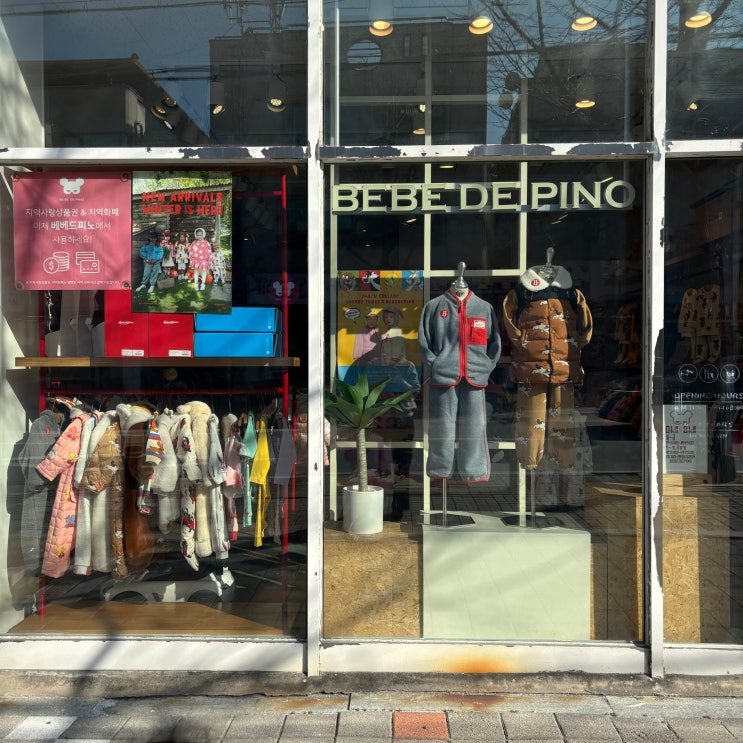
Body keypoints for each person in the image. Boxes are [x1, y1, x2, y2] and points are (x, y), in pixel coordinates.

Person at [418, 266, 501, 482]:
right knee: (442, 426)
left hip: (475, 375)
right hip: (443, 375)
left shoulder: (483, 307)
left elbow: (495, 342)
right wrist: (435, 364)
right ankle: (439, 470)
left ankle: (474, 471)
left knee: (475, 425)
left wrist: (487, 365)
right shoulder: (434, 306)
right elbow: (424, 341)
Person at [135, 229, 163, 294]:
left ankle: (152, 285)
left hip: (156, 262)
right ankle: (143, 284)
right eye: (151, 238)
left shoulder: (158, 246)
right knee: (146, 272)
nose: (153, 239)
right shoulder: (146, 246)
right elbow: (142, 252)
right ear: (149, 238)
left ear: (156, 238)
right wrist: (147, 259)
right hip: (148, 261)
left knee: (154, 273)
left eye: (154, 238)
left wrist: (155, 260)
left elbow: (160, 253)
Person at [189, 227, 212, 291]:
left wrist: (209, 260)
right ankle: (196, 284)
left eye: (200, 235)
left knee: (204, 272)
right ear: (196, 235)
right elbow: (191, 251)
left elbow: (209, 252)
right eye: (198, 235)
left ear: (203, 235)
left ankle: (203, 284)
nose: (199, 236)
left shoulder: (206, 243)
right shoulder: (194, 243)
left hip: (204, 261)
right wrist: (191, 259)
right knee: (196, 272)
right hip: (196, 260)